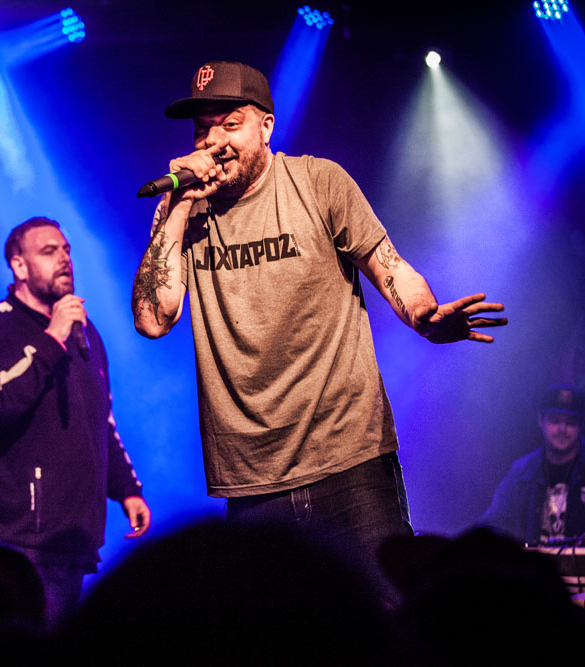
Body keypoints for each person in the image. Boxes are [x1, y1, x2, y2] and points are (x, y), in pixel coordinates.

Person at [130, 61, 506, 581]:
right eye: (202, 129)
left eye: (230, 124)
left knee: (383, 615)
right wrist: (176, 208)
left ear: (266, 125)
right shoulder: (183, 214)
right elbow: (153, 318)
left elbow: (391, 266)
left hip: (348, 456)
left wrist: (424, 317)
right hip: (250, 476)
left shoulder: (317, 181)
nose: (213, 141)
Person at [0, 217, 151, 624]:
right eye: (49, 252)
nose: (64, 259)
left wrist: (127, 488)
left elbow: (102, 422)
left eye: (66, 250)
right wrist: (51, 339)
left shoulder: (86, 334)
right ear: (19, 265)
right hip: (16, 538)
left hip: (73, 536)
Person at [480, 384, 585, 544]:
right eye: (555, 421)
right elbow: (492, 524)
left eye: (570, 423)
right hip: (534, 567)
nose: (562, 429)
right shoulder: (521, 473)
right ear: (540, 420)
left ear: (580, 426)